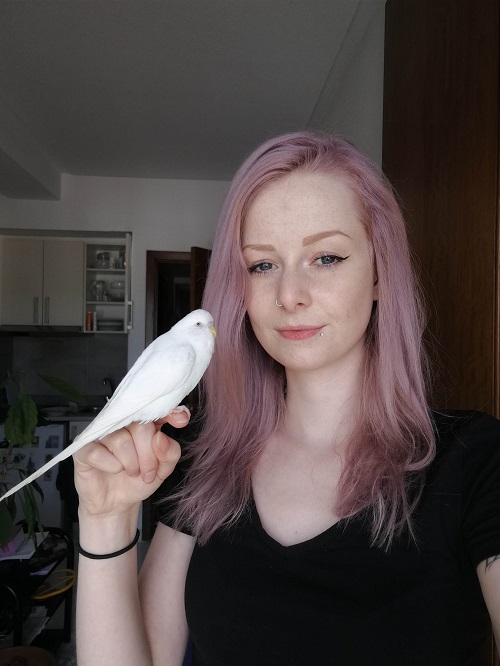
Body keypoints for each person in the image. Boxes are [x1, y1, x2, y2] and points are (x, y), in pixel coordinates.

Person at [74, 132, 500, 666]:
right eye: (262, 264)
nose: (289, 295)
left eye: (325, 257)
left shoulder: (476, 462)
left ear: (379, 274)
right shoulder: (202, 458)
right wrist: (105, 519)